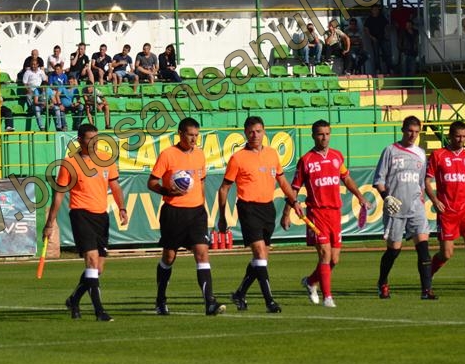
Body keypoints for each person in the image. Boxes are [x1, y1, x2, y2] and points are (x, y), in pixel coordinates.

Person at [281, 119, 370, 308]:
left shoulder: (337, 157)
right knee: (325, 254)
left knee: (335, 259)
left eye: (327, 134)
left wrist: (360, 197)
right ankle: (328, 297)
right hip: (316, 214)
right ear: (313, 136)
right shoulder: (306, 160)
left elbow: (346, 179)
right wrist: (286, 213)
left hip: (335, 213)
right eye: (320, 134)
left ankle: (311, 281)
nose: (324, 137)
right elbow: (294, 189)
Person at [42, 123, 127, 321]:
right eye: (90, 139)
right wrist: (49, 223)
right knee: (90, 260)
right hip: (81, 214)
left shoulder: (106, 159)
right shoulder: (70, 163)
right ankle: (99, 311)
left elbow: (114, 186)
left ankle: (74, 299)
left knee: (98, 268)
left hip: (101, 216)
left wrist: (121, 208)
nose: (95, 143)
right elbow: (59, 194)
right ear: (80, 140)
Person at [217, 116, 299, 313]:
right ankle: (269, 301)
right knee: (260, 254)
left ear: (264, 132)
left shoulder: (272, 154)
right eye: (251, 131)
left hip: (267, 209)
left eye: (259, 131)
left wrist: (294, 202)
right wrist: (222, 216)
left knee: (261, 260)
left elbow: (283, 181)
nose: (255, 135)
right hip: (248, 208)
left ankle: (239, 293)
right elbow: (224, 189)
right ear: (245, 133)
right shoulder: (238, 158)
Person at [147, 117, 226, 316]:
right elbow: (152, 182)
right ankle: (160, 299)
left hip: (196, 213)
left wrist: (203, 207)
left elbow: (201, 182)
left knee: (202, 253)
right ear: (180, 134)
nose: (194, 139)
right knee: (169, 256)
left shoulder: (200, 155)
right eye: (190, 135)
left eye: (196, 135)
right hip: (174, 212)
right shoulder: (167, 155)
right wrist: (168, 191)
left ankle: (210, 302)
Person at [373, 116, 436, 300]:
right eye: (410, 131)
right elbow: (379, 180)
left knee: (423, 249)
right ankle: (382, 282)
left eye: (416, 132)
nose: (413, 135)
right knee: (394, 250)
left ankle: (426, 290)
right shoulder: (390, 151)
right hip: (395, 208)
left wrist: (422, 197)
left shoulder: (421, 153)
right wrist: (387, 198)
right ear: (402, 130)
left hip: (416, 206)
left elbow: (421, 181)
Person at [425, 121, 465, 297]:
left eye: (464, 136)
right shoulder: (438, 155)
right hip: (447, 211)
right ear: (450, 136)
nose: (461, 139)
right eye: (458, 136)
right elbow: (427, 181)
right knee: (446, 253)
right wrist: (435, 200)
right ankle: (428, 276)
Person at [363, 4, 391, 75]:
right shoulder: (369, 19)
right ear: (371, 11)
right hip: (374, 39)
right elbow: (366, 29)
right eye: (374, 9)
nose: (376, 11)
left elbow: (387, 25)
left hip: (383, 38)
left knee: (386, 53)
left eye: (377, 9)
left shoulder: (382, 17)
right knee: (376, 55)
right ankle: (378, 69)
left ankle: (389, 69)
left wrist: (386, 34)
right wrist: (371, 37)